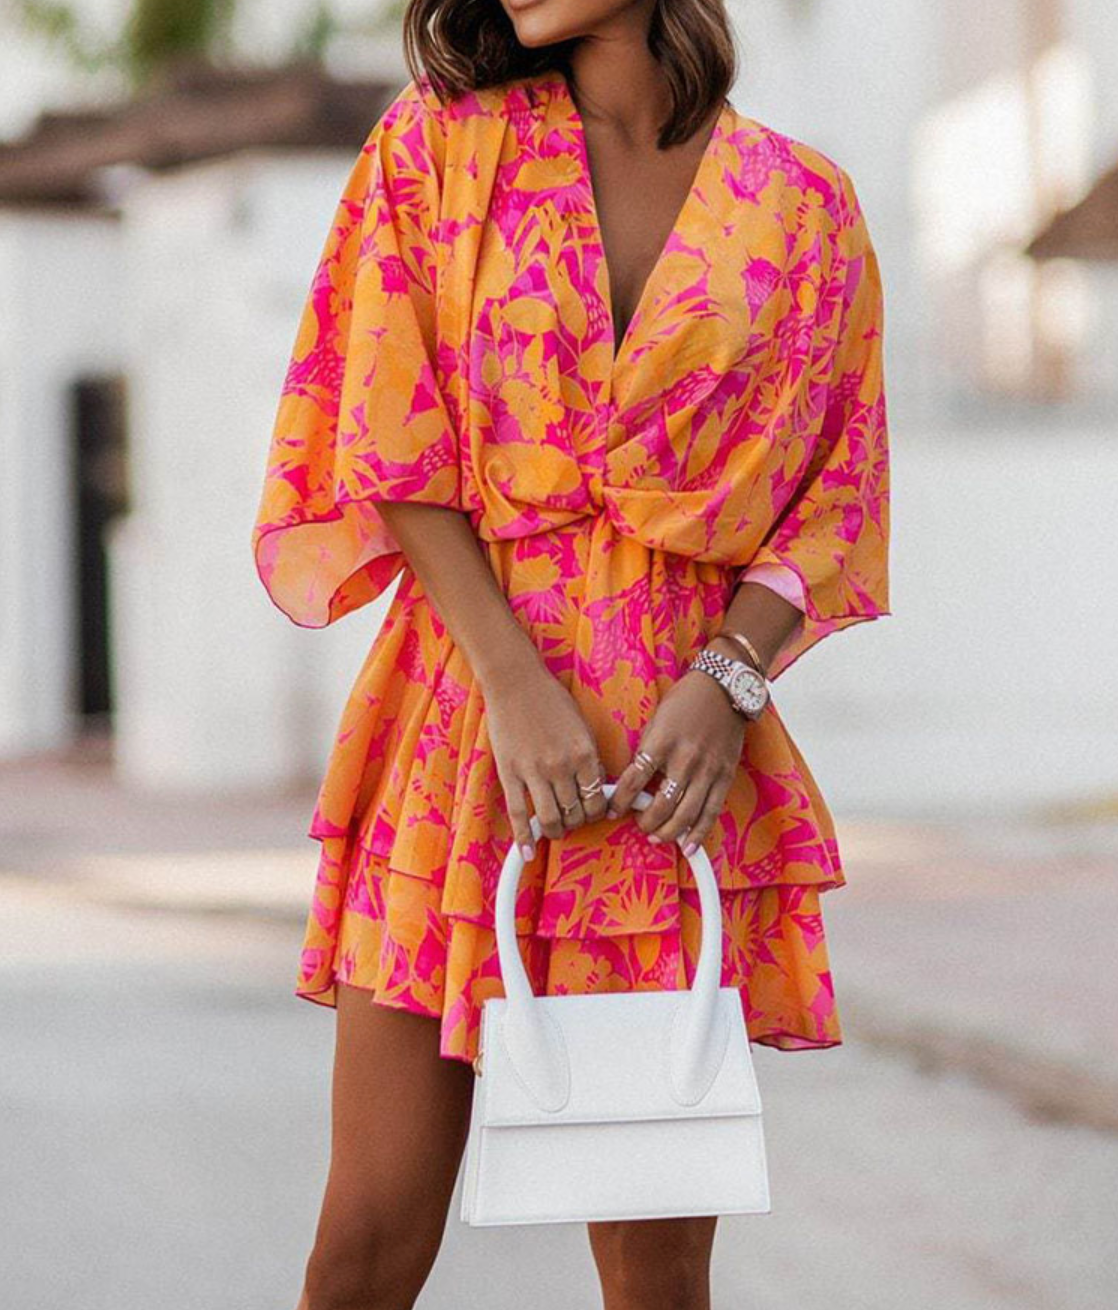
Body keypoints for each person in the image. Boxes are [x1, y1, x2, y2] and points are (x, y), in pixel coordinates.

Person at [251, 1, 891, 1306]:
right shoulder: (439, 147)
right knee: (366, 1240)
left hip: (669, 766)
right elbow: (389, 431)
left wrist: (729, 679)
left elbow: (839, 490)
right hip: (463, 724)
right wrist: (511, 683)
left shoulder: (801, 203)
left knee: (657, 1267)